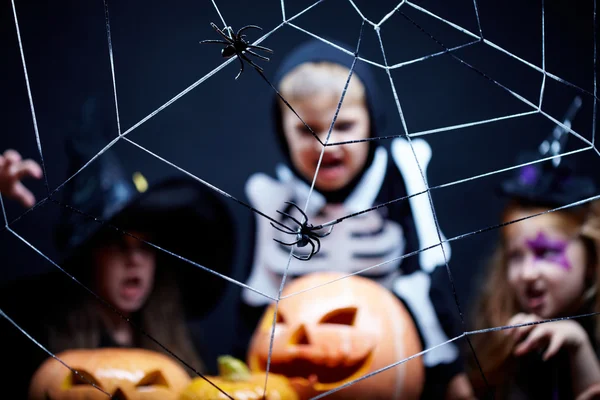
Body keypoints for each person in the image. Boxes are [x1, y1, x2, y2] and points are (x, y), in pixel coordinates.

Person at [235, 38, 474, 399]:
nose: (324, 145)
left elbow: (428, 289)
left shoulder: (403, 178)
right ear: (282, 134)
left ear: (371, 123)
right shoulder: (272, 200)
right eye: (305, 129)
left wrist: (455, 381)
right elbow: (256, 307)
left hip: (396, 371)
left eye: (343, 126)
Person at [0, 95, 236, 398]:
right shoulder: (32, 326)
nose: (134, 260)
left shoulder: (178, 336)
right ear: (91, 253)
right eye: (118, 245)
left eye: (146, 247)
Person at [467, 109, 600, 399]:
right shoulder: (506, 340)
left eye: (546, 252)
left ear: (591, 258)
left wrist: (578, 347)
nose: (526, 273)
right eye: (515, 256)